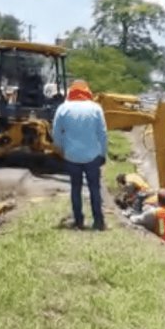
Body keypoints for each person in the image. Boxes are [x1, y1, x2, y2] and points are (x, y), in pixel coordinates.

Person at [53, 80, 108, 230]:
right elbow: (102, 134)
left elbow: (56, 134)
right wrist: (103, 153)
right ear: (87, 91)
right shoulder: (96, 108)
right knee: (94, 189)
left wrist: (62, 149)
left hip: (71, 156)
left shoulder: (63, 108)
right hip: (93, 156)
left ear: (71, 92)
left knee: (75, 188)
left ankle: (78, 221)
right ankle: (98, 222)